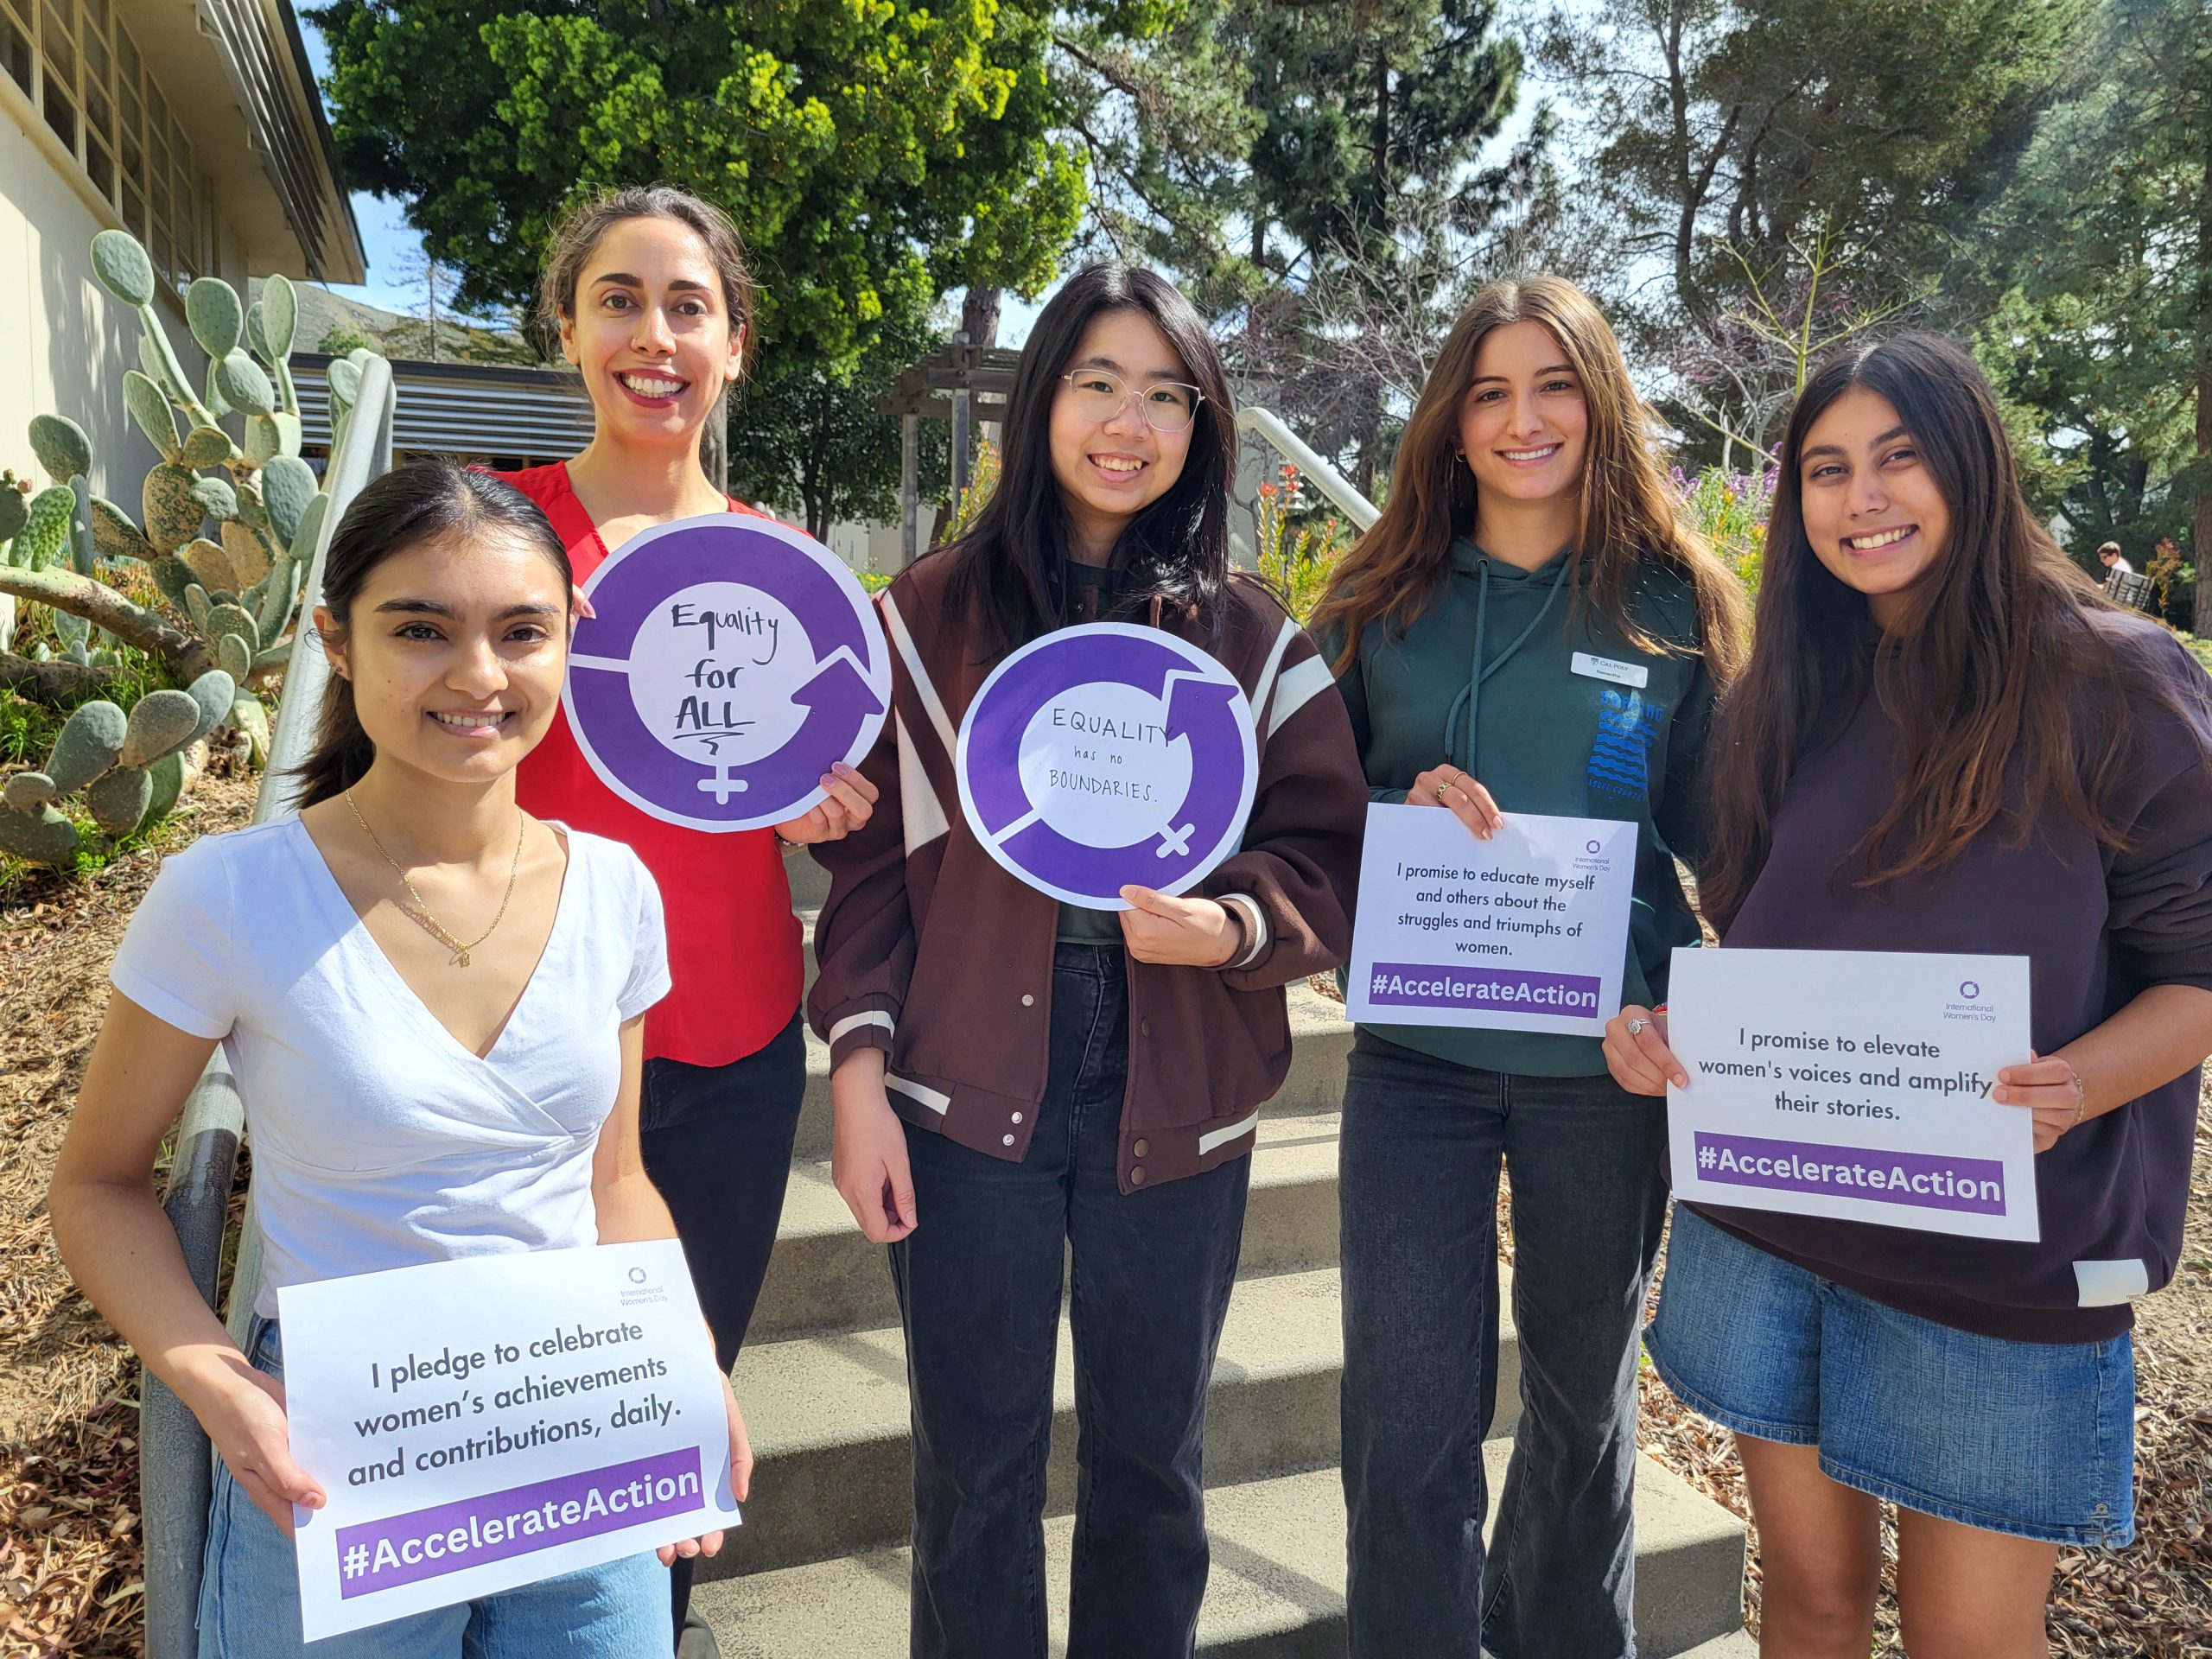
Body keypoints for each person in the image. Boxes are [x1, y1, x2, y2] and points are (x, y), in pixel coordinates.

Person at [47, 461, 753, 1658]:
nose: (479, 676)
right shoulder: (229, 895)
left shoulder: (617, 890)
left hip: (573, 1414)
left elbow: (614, 1181)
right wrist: (217, 1387)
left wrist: (682, 1361)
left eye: (522, 631)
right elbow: (98, 1184)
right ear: (336, 638)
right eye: (421, 629)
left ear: (572, 641)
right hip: (333, 1447)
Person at [1606, 334, 2212, 1659]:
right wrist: (1673, 1033)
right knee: (1811, 1605)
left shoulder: (2114, 680)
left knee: (1966, 1644)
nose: (1862, 498)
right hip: (1780, 1233)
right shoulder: (1792, 689)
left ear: (1974, 465)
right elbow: (1755, 929)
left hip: (1996, 1269)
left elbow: (2198, 972)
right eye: (1827, 470)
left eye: (1899, 458)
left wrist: (2085, 1081)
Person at [808, 261, 1365, 1659]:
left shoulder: (1249, 635)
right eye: (1097, 382)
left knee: (1151, 1470)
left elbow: (1328, 857)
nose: (1130, 422)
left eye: (1167, 394)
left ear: (1204, 423)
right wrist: (861, 1073)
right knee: (974, 1473)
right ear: (1041, 398)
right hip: (963, 1085)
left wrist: (1234, 923)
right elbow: (871, 871)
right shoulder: (923, 617)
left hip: (1175, 1086)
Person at [1307, 275, 1750, 1659]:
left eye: (1554, 384)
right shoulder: (1381, 600)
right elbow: (1302, 823)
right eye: (1489, 391)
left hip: (1605, 1074)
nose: (1523, 418)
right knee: (1406, 1412)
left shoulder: (1673, 608)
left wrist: (1690, 1008)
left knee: (1582, 1414)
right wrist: (1393, 814)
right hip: (1419, 1070)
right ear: (1450, 421)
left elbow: (1732, 853)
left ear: (1601, 404)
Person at [494, 184, 876, 1649]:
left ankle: (650, 1623)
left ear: (736, 347)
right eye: (618, 299)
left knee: (672, 1385)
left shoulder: (789, 575)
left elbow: (861, 805)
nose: (652, 336)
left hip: (719, 1044)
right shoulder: (494, 529)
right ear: (569, 324)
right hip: (513, 1042)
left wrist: (814, 804)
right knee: (515, 1394)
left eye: (687, 307)